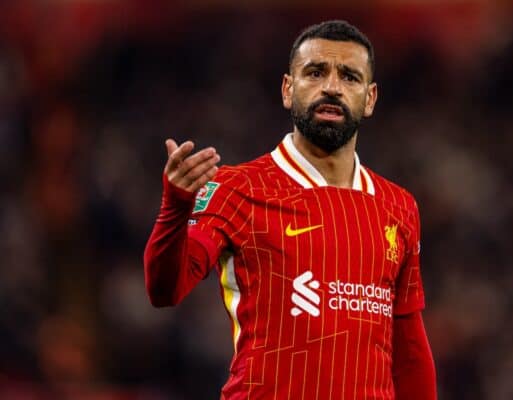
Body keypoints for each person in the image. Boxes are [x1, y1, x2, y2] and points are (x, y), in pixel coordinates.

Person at [144, 20, 436, 399]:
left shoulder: (399, 206)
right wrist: (176, 207)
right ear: (287, 89)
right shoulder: (236, 188)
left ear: (370, 98)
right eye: (315, 72)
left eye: (349, 76)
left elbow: (409, 346)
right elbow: (164, 289)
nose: (331, 87)